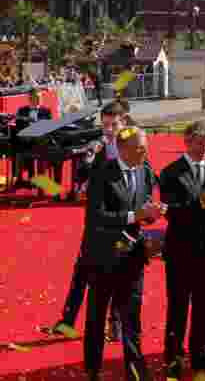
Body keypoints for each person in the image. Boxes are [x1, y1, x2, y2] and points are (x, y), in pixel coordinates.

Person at [81, 127, 164, 381]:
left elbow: (142, 210)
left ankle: (135, 371)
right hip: (103, 257)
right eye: (140, 148)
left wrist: (150, 214)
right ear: (123, 149)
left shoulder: (145, 171)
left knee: (132, 318)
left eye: (145, 147)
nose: (145, 152)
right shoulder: (102, 174)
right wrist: (133, 216)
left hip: (132, 257)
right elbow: (95, 217)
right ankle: (93, 369)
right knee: (96, 317)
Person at [49, 102, 128, 340]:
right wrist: (89, 158)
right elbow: (80, 177)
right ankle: (67, 321)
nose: (109, 130)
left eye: (114, 125)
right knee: (82, 272)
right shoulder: (97, 148)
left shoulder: (133, 148)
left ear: (123, 123)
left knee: (118, 275)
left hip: (122, 221)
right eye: (105, 125)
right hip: (95, 223)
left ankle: (115, 326)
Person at [160, 121, 205, 377]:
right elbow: (171, 211)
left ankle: (200, 354)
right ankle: (174, 357)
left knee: (204, 306)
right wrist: (204, 201)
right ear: (187, 142)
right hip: (180, 248)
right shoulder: (170, 172)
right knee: (178, 306)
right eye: (200, 142)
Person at [12, 87, 54, 186]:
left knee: (38, 142)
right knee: (17, 145)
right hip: (25, 141)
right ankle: (19, 178)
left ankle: (39, 179)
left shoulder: (46, 111)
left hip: (40, 142)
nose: (39, 99)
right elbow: (18, 126)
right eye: (36, 97)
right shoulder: (22, 110)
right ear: (30, 98)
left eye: (40, 97)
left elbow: (49, 127)